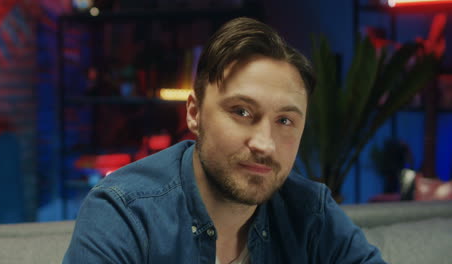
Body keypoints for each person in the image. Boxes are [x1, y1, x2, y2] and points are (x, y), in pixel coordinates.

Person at [63, 17, 386, 264]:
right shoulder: (125, 212)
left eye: (285, 120)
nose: (265, 143)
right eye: (242, 112)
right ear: (195, 113)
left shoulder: (311, 212)